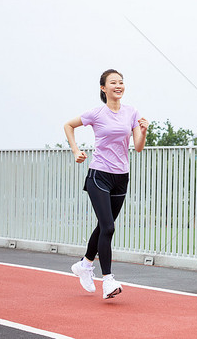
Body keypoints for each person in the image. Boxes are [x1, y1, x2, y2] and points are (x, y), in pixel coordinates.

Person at [64, 69, 148, 299]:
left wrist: (143, 131)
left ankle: (85, 264)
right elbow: (68, 125)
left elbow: (138, 147)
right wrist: (76, 150)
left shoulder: (131, 112)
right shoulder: (97, 113)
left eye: (121, 82)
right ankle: (108, 280)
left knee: (104, 226)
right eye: (113, 82)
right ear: (103, 88)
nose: (118, 85)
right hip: (99, 174)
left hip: (121, 176)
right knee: (108, 227)